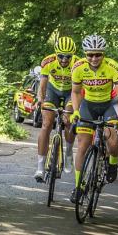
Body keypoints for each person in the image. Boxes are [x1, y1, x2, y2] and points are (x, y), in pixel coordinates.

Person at [68, 34, 118, 203]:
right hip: (88, 105)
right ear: (85, 54)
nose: (94, 58)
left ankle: (113, 163)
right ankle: (79, 187)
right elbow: (75, 92)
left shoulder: (112, 66)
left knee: (113, 142)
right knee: (82, 145)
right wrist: (75, 111)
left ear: (103, 54)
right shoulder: (78, 67)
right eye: (90, 54)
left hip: (109, 103)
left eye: (98, 54)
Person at [33, 35, 79, 181]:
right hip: (52, 91)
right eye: (61, 56)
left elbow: (79, 89)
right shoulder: (48, 61)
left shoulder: (78, 64)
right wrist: (40, 100)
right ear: (55, 54)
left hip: (69, 93)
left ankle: (69, 153)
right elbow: (43, 85)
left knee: (69, 120)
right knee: (46, 124)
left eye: (68, 56)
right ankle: (40, 167)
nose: (64, 59)